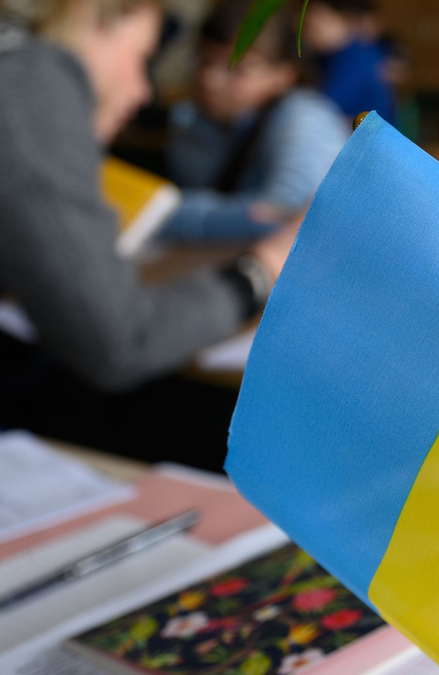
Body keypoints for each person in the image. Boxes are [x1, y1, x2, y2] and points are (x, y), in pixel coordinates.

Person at [0, 0, 297, 467]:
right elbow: (119, 341)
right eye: (142, 56)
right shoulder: (31, 78)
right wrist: (260, 271)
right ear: (99, 16)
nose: (143, 91)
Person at [158, 0, 347, 242]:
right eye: (203, 62)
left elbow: (286, 215)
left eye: (237, 69)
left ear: (283, 75)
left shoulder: (305, 119)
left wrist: (168, 212)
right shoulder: (191, 121)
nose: (209, 80)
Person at [301, 0, 397, 124]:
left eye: (315, 26)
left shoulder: (357, 60)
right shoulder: (327, 57)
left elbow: (323, 107)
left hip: (367, 139)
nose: (308, 35)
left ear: (345, 20)